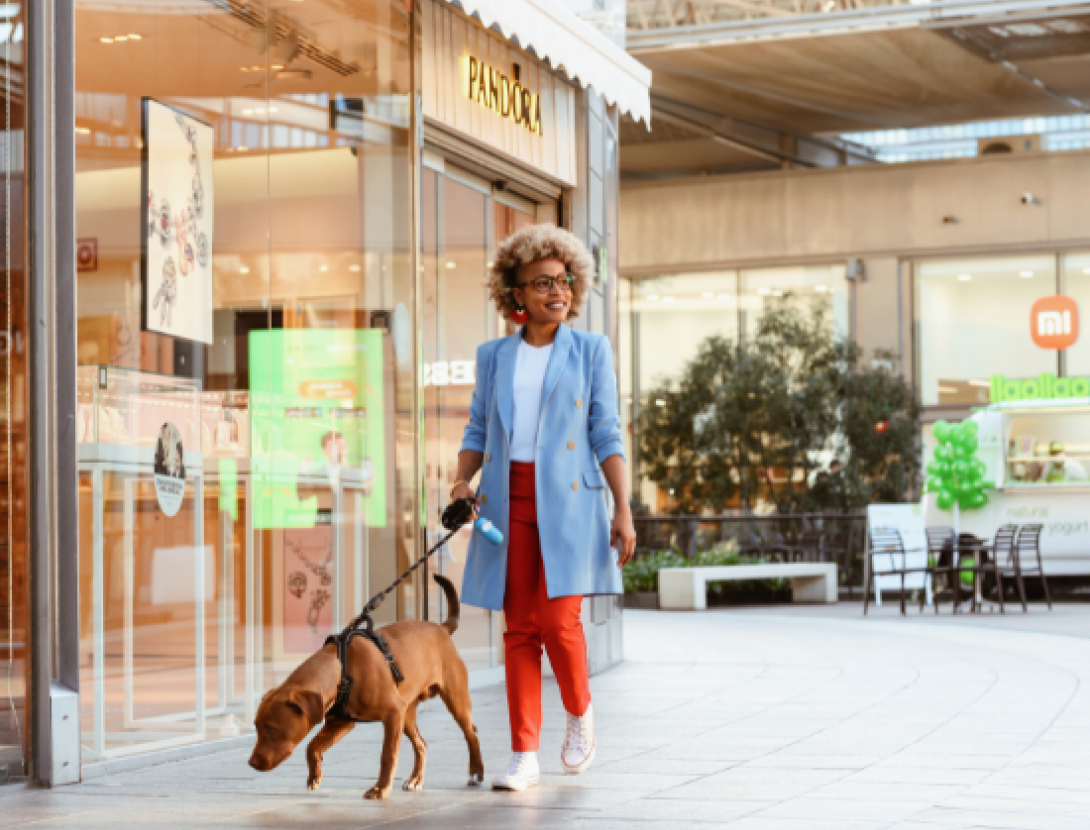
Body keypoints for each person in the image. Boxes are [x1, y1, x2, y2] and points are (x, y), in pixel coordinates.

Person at [449, 225, 637, 792]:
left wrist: (623, 508)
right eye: (541, 283)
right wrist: (462, 479)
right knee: (520, 630)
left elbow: (605, 431)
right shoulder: (494, 356)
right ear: (516, 295)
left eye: (564, 280)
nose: (557, 291)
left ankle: (579, 713)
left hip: (573, 502)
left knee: (559, 623)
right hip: (507, 502)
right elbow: (480, 426)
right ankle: (524, 752)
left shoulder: (589, 350)